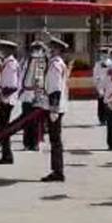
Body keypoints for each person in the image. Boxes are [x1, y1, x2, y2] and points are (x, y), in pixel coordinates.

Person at [41, 36, 70, 182]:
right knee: (55, 139)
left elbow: (55, 88)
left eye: (52, 47)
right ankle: (57, 170)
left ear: (57, 49)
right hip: (58, 106)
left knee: (55, 140)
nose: (49, 50)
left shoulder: (54, 65)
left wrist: (53, 108)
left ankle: (58, 171)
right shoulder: (58, 63)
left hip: (55, 106)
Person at [0, 40, 20, 165]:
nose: (0, 51)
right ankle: (6, 154)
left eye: (2, 49)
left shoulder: (10, 64)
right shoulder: (6, 63)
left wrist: (1, 96)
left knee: (4, 128)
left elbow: (12, 85)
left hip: (7, 100)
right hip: (4, 99)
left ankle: (7, 155)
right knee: (3, 128)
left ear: (8, 50)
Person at [18, 40, 48, 151]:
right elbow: (21, 76)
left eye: (38, 49)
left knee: (36, 121)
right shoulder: (26, 61)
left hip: (38, 94)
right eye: (34, 49)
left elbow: (43, 79)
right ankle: (27, 143)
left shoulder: (44, 61)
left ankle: (35, 143)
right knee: (26, 120)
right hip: (26, 94)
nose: (36, 51)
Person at [92, 46, 110, 125]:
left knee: (109, 104)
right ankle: (101, 118)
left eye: (105, 53)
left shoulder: (111, 63)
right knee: (101, 103)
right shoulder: (97, 64)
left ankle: (108, 118)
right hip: (101, 86)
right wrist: (97, 86)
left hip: (109, 86)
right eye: (102, 53)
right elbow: (95, 75)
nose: (104, 55)